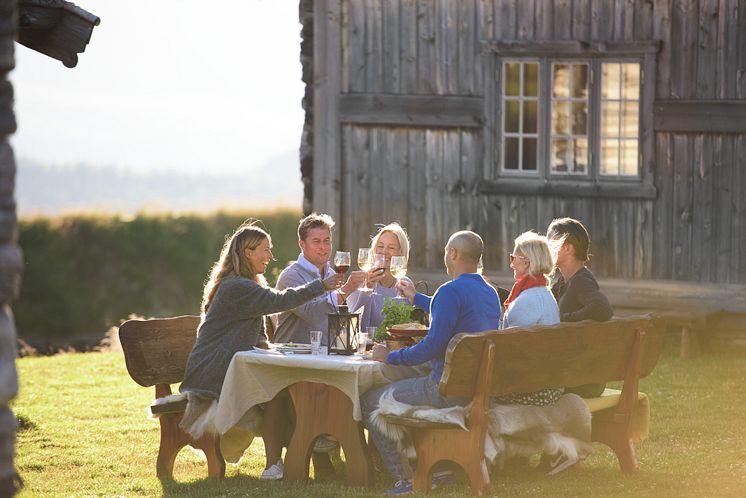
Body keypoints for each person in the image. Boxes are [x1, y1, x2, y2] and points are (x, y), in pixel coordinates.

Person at [179, 220, 344, 480]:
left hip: (228, 366)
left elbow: (255, 333)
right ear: (248, 253)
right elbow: (280, 301)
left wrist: (269, 348)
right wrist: (322, 286)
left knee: (283, 389)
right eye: (265, 250)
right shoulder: (237, 287)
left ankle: (302, 448)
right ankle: (305, 446)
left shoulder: (246, 284)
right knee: (279, 392)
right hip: (212, 375)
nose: (270, 256)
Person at [361, 231, 501, 494]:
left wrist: (389, 356)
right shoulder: (489, 291)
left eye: (446, 251)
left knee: (369, 399)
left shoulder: (450, 291)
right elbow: (449, 311)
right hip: (473, 389)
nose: (445, 257)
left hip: (444, 389)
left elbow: (431, 347)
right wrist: (417, 298)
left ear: (454, 254)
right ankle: (439, 469)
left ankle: (406, 478)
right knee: (401, 380)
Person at [273, 213, 366, 345]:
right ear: (302, 244)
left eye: (327, 240)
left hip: (325, 356)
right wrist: (346, 289)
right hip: (293, 356)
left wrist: (361, 288)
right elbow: (312, 315)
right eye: (316, 241)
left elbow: (339, 314)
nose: (323, 247)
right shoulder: (291, 276)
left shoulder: (331, 273)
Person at [547, 217, 613, 398]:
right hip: (576, 374)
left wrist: (564, 319)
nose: (545, 245)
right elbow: (539, 302)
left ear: (567, 248)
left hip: (584, 381)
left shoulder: (581, 280)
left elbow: (602, 309)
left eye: (549, 239)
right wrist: (497, 291)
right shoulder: (563, 282)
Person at [497, 231, 562, 406]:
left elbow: (507, 348)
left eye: (513, 258)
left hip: (534, 389)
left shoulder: (527, 299)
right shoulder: (545, 293)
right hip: (548, 383)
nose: (511, 264)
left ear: (526, 261)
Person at [346, 222, 413, 330]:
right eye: (380, 246)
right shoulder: (360, 281)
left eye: (391, 247)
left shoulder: (405, 284)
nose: (384, 252)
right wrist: (368, 289)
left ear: (401, 253)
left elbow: (409, 326)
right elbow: (356, 327)